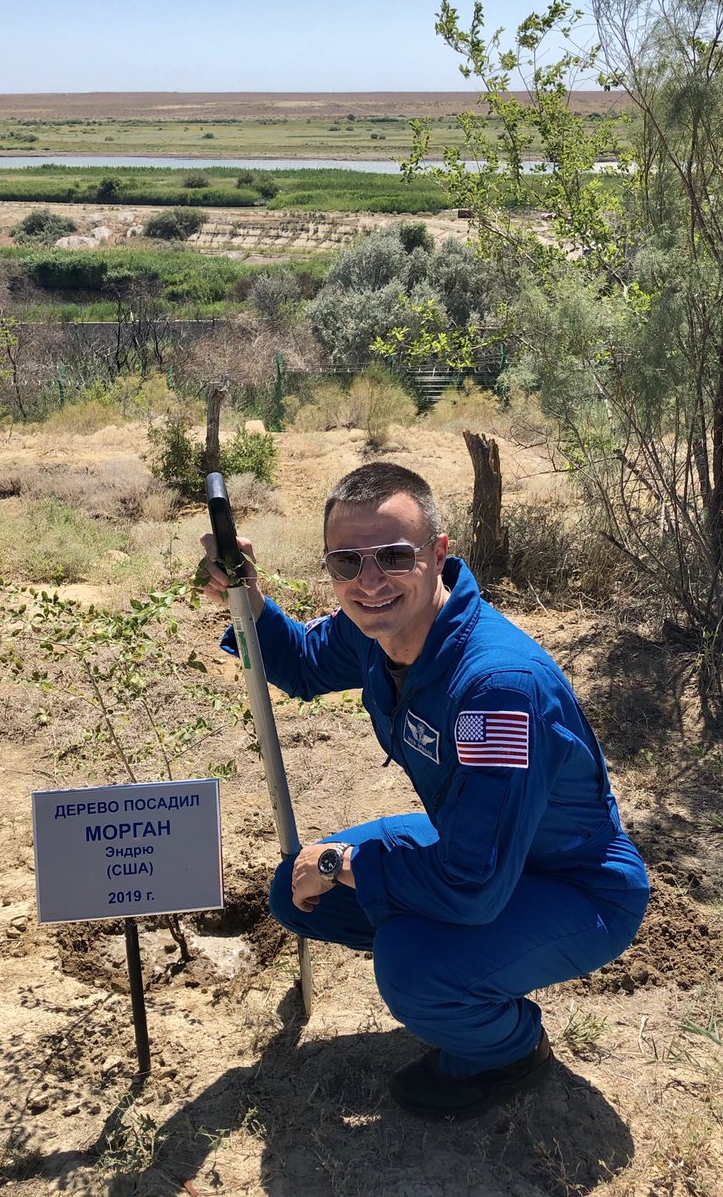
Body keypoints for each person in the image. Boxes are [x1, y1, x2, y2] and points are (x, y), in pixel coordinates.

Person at [199, 462, 649, 1121]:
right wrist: (249, 600)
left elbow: (471, 882)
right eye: (346, 561)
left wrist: (347, 866)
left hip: (575, 885)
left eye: (393, 556)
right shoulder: (375, 628)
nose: (369, 581)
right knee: (297, 894)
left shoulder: (497, 689)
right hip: (482, 850)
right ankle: (457, 971)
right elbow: (296, 664)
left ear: (438, 554)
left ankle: (506, 1049)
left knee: (408, 959)